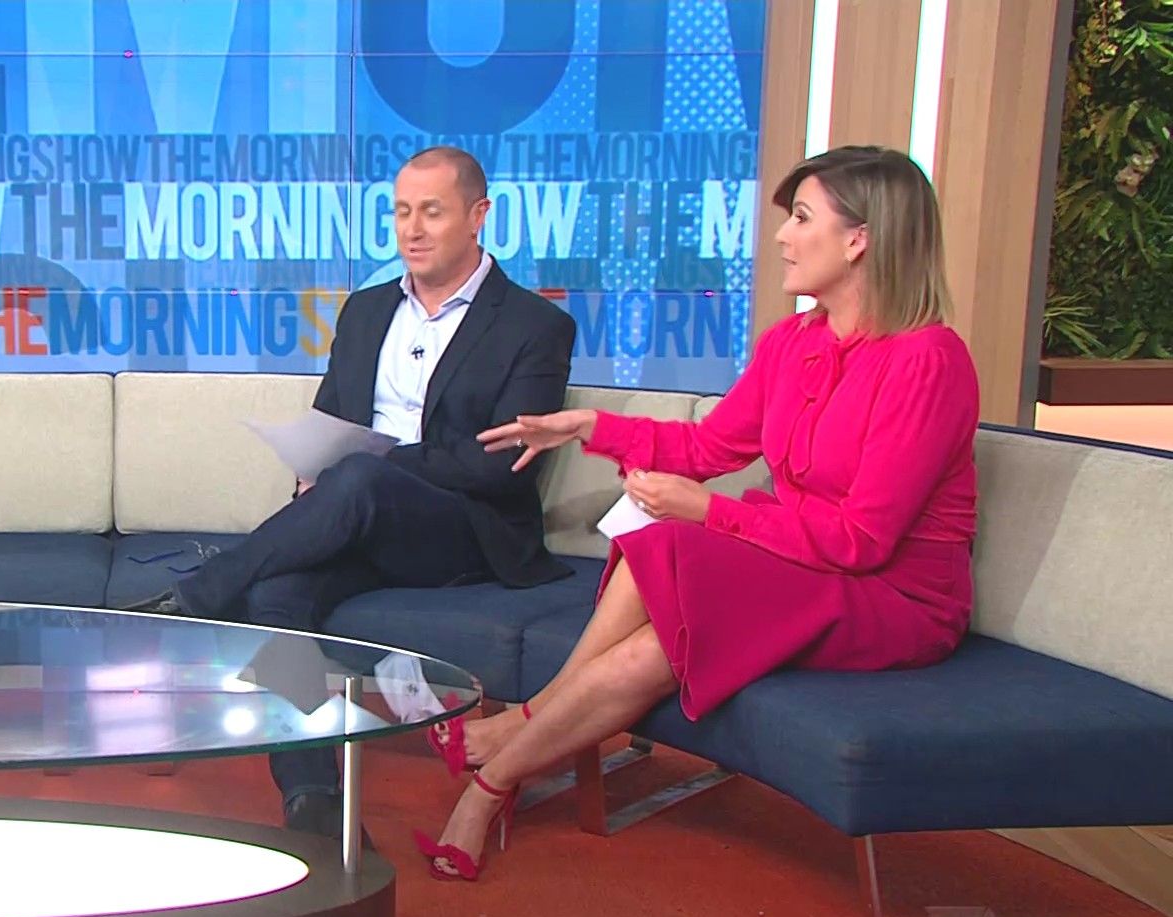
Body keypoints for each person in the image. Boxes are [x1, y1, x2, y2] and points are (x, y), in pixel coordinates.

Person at [415, 145, 980, 880]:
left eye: (801, 217)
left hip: (892, 596)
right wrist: (590, 428)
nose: (780, 235)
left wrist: (710, 511)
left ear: (859, 240)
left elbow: (862, 541)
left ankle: (495, 779)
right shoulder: (792, 344)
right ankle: (516, 753)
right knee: (666, 559)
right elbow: (711, 446)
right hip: (804, 560)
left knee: (676, 594)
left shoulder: (927, 361)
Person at [129, 146, 578, 838]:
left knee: (363, 475)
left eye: (432, 212)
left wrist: (377, 466)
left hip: (463, 531)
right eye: (402, 212)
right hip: (360, 520)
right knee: (276, 594)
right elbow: (332, 423)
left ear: (478, 216)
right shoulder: (367, 312)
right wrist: (317, 468)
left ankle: (196, 597)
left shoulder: (534, 326)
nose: (412, 229)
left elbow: (500, 465)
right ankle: (314, 799)